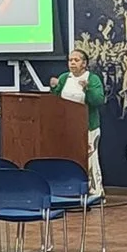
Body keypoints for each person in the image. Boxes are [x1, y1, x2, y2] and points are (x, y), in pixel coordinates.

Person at [54, 48, 108, 197]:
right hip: (67, 127)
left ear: (84, 63)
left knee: (91, 160)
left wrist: (88, 89)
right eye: (70, 60)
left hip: (88, 127)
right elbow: (56, 100)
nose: (72, 63)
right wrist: (54, 88)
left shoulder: (92, 79)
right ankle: (69, 190)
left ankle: (96, 192)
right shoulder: (64, 78)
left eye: (76, 60)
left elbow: (98, 101)